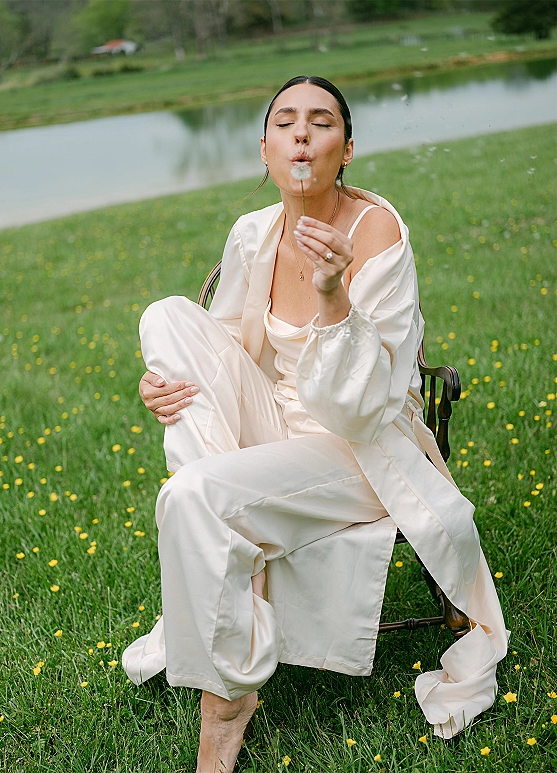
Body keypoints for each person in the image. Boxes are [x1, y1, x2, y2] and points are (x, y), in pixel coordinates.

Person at [122, 75, 508, 772]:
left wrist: (334, 297)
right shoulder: (253, 232)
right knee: (167, 318)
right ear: (265, 150)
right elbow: (229, 349)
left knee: (190, 495)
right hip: (275, 435)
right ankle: (228, 528)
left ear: (347, 148)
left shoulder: (377, 232)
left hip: (360, 450)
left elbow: (367, 406)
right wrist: (166, 386)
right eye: (286, 122)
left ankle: (227, 700)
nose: (302, 133)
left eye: (322, 122)